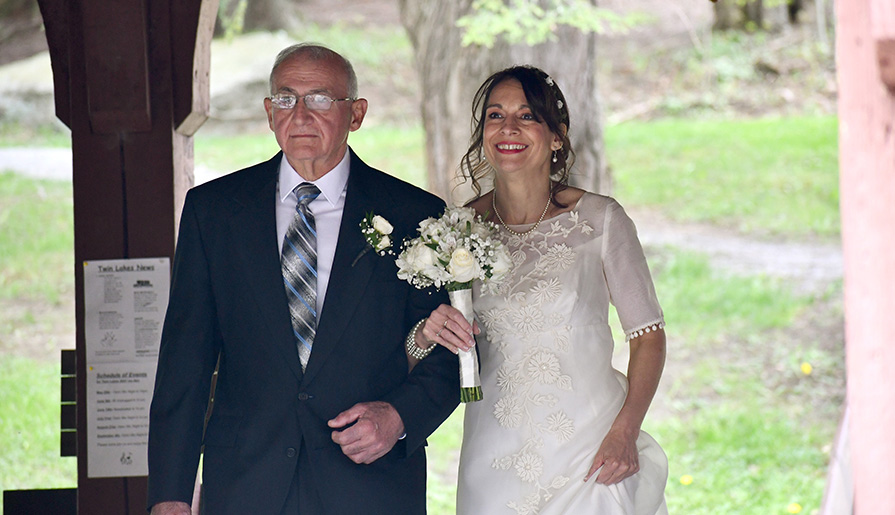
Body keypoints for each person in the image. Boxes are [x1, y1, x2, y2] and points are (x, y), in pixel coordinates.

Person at [147, 43, 459, 515]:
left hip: (370, 484)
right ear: (270, 114)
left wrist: (398, 418)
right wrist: (170, 494)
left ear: (356, 114)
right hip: (246, 483)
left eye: (319, 99)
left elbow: (449, 349)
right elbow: (184, 362)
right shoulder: (213, 211)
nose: (301, 115)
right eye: (287, 99)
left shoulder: (416, 215)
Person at [412, 65, 669, 514]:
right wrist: (425, 335)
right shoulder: (456, 231)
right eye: (495, 115)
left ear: (556, 136)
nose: (508, 128)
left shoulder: (600, 220)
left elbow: (647, 336)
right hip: (493, 457)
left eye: (527, 116)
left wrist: (625, 432)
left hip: (591, 452)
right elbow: (425, 347)